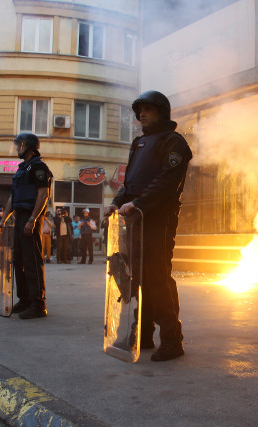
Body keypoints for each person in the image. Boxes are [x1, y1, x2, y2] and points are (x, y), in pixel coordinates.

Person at [104, 90, 192, 362]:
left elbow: (167, 181)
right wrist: (116, 202)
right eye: (139, 110)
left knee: (157, 276)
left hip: (158, 217)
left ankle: (172, 339)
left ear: (161, 112)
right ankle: (143, 334)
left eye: (148, 109)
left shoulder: (173, 142)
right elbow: (129, 182)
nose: (141, 114)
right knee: (138, 277)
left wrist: (139, 203)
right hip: (135, 218)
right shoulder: (139, 143)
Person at [0, 133, 52, 319]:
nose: (17, 148)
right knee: (19, 260)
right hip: (20, 216)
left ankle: (38, 304)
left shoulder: (39, 167)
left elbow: (43, 194)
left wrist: (33, 219)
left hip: (31, 216)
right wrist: (3, 219)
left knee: (32, 261)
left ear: (29, 147)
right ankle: (25, 299)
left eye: (19, 145)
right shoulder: (21, 169)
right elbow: (14, 197)